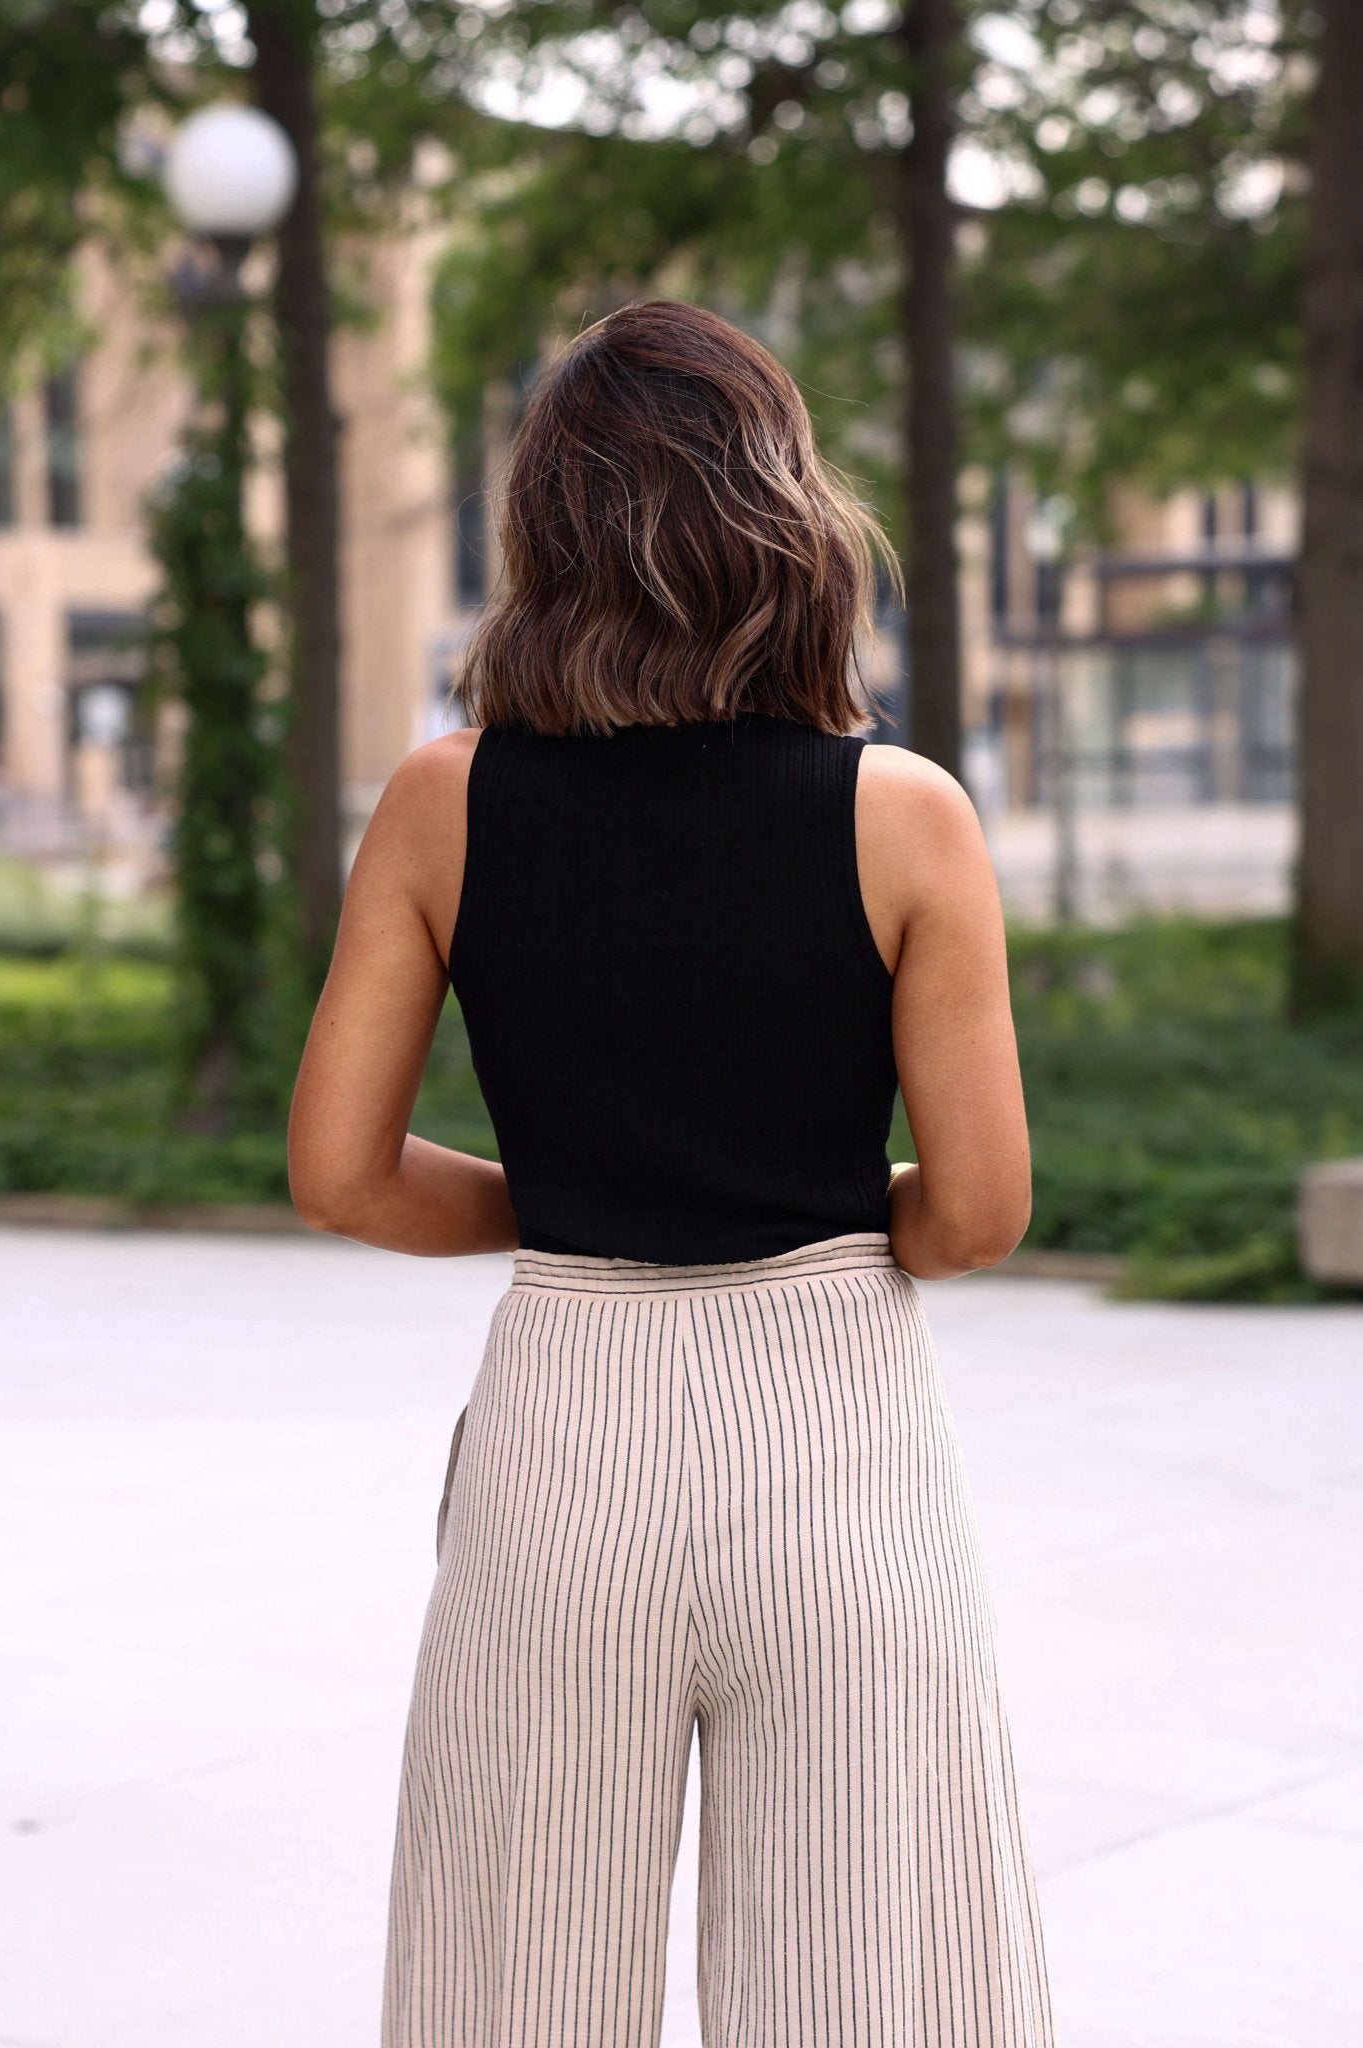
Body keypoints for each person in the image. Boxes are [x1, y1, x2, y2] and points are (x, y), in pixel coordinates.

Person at [288, 298, 1055, 2048]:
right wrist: (838, 1209)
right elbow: (980, 1211)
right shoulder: (902, 814)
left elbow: (337, 1173)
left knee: (512, 1983)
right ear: (784, 522)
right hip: (835, 1421)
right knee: (878, 1987)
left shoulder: (442, 802)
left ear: (543, 540)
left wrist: (555, 1201)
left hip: (565, 1417)